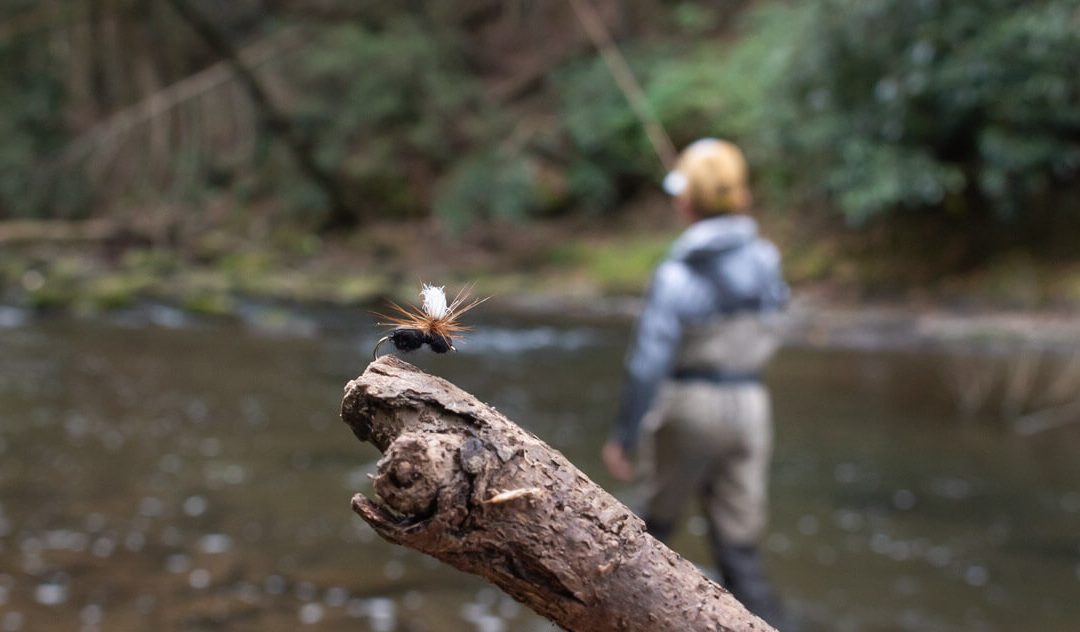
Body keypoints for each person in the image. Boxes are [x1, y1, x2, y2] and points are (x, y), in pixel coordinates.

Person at [602, 138, 789, 627]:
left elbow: (648, 361)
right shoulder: (767, 259)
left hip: (689, 406)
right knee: (739, 547)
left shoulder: (677, 272)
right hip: (751, 406)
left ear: (685, 203)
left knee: (649, 534)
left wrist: (624, 434)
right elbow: (777, 319)